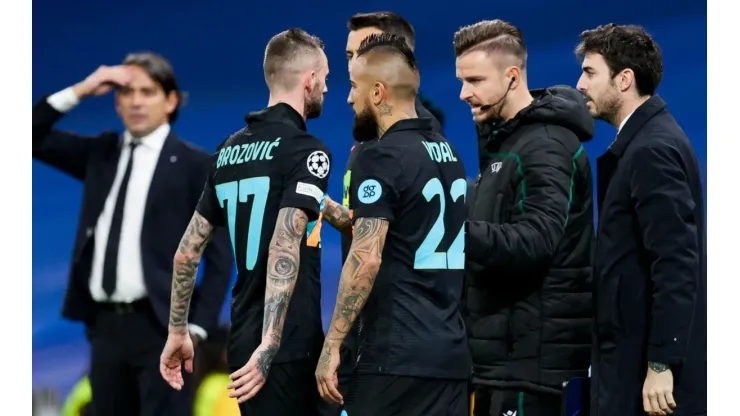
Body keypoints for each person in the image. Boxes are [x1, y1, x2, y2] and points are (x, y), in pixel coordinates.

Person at [32, 52, 233, 416]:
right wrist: (82, 89)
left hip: (163, 327)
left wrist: (198, 330)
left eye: (148, 91)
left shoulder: (195, 165)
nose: (136, 101)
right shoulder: (102, 154)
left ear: (171, 100)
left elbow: (220, 257)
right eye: (126, 92)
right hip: (105, 328)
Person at [159, 28, 332, 416]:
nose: (326, 86)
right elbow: (283, 244)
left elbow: (187, 253)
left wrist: (177, 331)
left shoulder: (229, 150)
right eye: (326, 76)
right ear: (310, 79)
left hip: (240, 339)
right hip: (285, 345)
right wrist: (270, 346)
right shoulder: (307, 151)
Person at [315, 33, 470, 416]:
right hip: (448, 356)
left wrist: (332, 345)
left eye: (354, 87)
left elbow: (366, 259)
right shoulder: (448, 154)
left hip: (394, 357)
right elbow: (411, 231)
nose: (349, 98)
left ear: (378, 92)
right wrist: (337, 214)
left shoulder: (381, 156)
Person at [453, 19, 595, 415]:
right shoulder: (505, 141)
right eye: (462, 81)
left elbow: (536, 241)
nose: (465, 93)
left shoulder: (546, 146)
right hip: (498, 364)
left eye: (476, 80)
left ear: (512, 76)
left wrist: (447, 232)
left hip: (533, 371)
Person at [575, 24, 707, 416]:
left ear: (625, 79)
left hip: (644, 378)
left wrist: (662, 364)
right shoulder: (644, 142)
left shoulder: (652, 149)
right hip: (628, 363)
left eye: (590, 72)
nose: (580, 84)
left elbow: (677, 262)